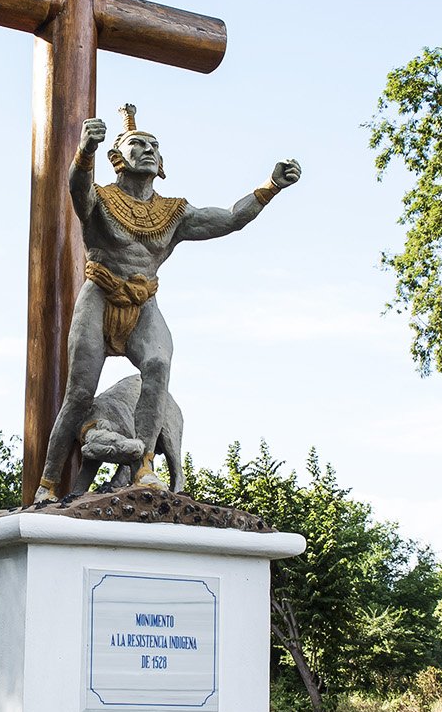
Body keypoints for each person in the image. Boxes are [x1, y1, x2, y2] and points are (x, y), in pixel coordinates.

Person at [33, 104, 301, 502]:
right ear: (116, 158)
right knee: (79, 394)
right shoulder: (102, 200)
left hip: (143, 301)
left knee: (158, 365)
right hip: (101, 296)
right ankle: (49, 483)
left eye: (154, 146)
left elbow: (229, 218)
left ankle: (143, 466)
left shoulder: (173, 213)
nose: (147, 150)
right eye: (136, 144)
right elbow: (78, 190)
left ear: (161, 163)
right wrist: (85, 152)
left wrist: (270, 186)